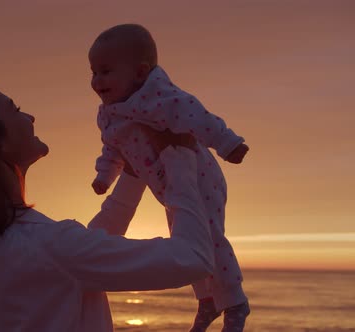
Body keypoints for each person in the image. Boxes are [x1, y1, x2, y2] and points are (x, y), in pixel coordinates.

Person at [0, 82, 216, 331]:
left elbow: (78, 259)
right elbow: (194, 258)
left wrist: (132, 176)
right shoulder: (48, 245)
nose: (30, 116)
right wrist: (179, 160)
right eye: (15, 109)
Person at [88, 24, 250, 331]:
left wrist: (228, 144)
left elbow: (199, 118)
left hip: (199, 179)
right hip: (168, 187)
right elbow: (112, 148)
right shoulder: (109, 114)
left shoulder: (163, 100)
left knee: (211, 237)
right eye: (93, 72)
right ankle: (207, 302)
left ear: (139, 72)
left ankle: (235, 302)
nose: (97, 81)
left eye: (106, 71)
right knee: (186, 241)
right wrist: (104, 176)